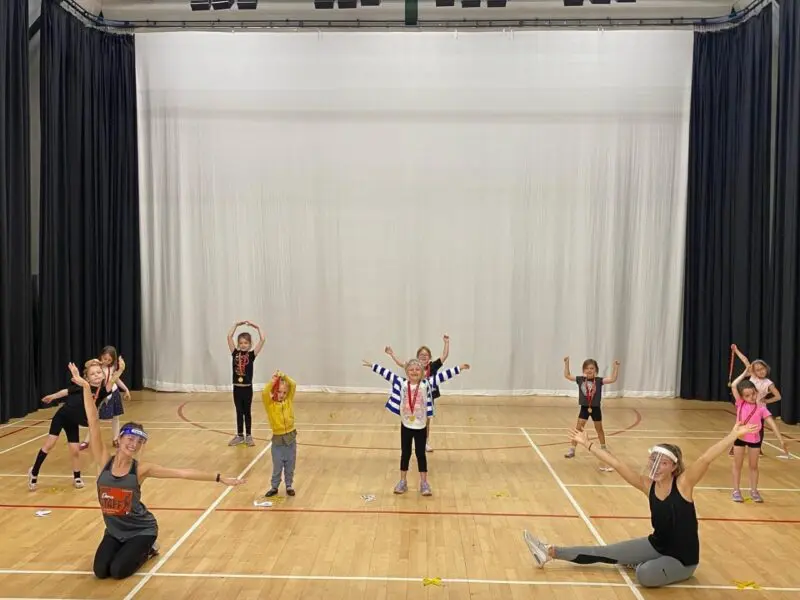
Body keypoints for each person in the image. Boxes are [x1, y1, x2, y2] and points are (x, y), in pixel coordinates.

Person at [523, 422, 759, 588]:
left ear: (674, 467)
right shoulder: (648, 485)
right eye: (653, 460)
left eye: (663, 462)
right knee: (605, 552)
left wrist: (733, 434)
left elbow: (706, 458)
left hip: (682, 560)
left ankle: (643, 564)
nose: (656, 465)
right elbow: (617, 464)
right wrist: (587, 445)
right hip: (656, 545)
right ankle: (549, 552)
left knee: (644, 575)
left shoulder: (684, 484)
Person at [67, 362, 245, 580]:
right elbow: (93, 420)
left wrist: (219, 478)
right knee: (100, 571)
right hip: (114, 531)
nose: (133, 444)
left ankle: (149, 549)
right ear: (120, 438)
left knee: (118, 571)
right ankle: (124, 550)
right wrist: (86, 387)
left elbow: (182, 473)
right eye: (130, 439)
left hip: (141, 530)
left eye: (138, 442)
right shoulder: (103, 461)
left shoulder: (141, 469)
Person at [363, 358, 469, 496]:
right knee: (405, 454)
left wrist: (459, 367)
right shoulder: (401, 383)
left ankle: (424, 483)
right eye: (411, 369)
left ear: (423, 372)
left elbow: (442, 376)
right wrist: (373, 365)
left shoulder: (427, 384)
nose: (414, 371)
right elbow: (387, 374)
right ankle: (402, 481)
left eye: (417, 369)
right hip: (406, 425)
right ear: (406, 372)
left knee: (421, 455)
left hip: (421, 426)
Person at [28, 358, 120, 491]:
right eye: (93, 374)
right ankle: (34, 472)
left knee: (75, 451)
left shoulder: (103, 391)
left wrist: (121, 369)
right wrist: (53, 396)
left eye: (99, 373)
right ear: (87, 378)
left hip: (73, 422)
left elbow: (112, 380)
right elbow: (66, 391)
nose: (96, 376)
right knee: (49, 445)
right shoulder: (81, 386)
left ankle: (77, 477)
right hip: (62, 417)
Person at [729, 365, 788, 502]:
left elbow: (772, 424)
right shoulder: (740, 404)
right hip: (739, 437)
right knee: (737, 465)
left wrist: (781, 440)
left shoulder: (761, 408)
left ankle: (754, 491)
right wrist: (745, 372)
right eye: (747, 395)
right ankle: (736, 490)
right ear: (742, 397)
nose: (751, 397)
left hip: (755, 440)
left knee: (753, 466)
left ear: (757, 391)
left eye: (753, 393)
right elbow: (734, 385)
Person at [385, 334, 450, 452]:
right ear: (417, 357)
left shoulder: (433, 366)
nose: (423, 357)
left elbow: (444, 356)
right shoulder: (414, 366)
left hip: (427, 398)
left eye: (426, 355)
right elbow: (400, 363)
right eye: (421, 355)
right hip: (413, 397)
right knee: (411, 419)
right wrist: (391, 354)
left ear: (429, 357)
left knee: (427, 421)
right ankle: (409, 441)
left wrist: (446, 342)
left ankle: (424, 442)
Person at [563, 357, 620, 459]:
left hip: (596, 409)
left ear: (596, 370)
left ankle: (603, 448)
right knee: (578, 429)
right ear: (584, 370)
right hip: (584, 408)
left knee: (599, 429)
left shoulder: (599, 381)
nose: (589, 370)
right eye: (587, 368)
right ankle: (572, 449)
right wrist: (567, 363)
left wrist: (616, 367)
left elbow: (612, 379)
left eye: (592, 368)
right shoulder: (580, 379)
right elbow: (567, 375)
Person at [731, 344, 782, 455]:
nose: (761, 371)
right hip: (746, 407)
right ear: (754, 371)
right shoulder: (753, 376)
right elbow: (745, 360)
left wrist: (766, 401)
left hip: (759, 409)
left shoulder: (769, 383)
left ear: (766, 368)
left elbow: (778, 396)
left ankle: (757, 448)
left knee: (759, 429)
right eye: (758, 370)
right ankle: (735, 445)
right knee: (741, 425)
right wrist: (736, 350)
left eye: (762, 369)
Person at [81, 346, 131, 451]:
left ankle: (115, 438)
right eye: (104, 359)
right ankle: (86, 440)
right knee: (94, 417)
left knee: (115, 417)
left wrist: (126, 389)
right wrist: (93, 361)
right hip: (101, 393)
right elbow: (86, 365)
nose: (106, 361)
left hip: (113, 392)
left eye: (109, 360)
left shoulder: (112, 368)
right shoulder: (96, 365)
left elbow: (116, 379)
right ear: (101, 356)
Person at [226, 320, 265, 446]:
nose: (243, 345)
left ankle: (248, 435)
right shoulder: (235, 353)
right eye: (241, 343)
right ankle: (239, 435)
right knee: (239, 411)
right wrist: (236, 325)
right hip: (237, 388)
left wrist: (257, 327)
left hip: (247, 388)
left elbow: (262, 340)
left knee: (247, 412)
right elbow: (229, 337)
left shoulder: (252, 354)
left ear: (249, 344)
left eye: (246, 343)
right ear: (238, 343)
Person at [261, 370, 298, 497]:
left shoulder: (288, 401)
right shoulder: (270, 404)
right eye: (279, 392)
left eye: (284, 393)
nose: (282, 395)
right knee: (278, 465)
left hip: (291, 438)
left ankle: (289, 485)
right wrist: (273, 382)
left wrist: (284, 376)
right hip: (278, 439)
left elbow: (292, 385)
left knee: (290, 464)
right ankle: (274, 486)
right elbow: (265, 392)